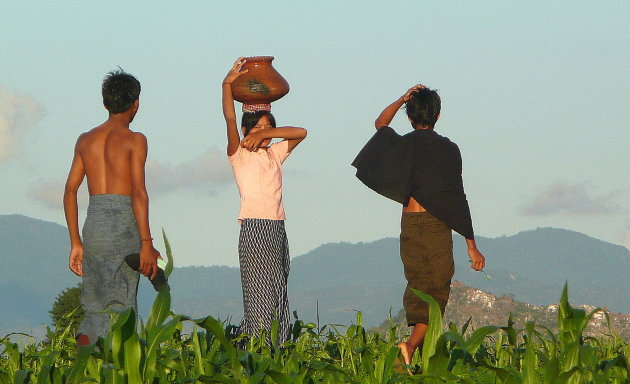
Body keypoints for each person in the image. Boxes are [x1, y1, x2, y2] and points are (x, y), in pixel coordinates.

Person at [352, 84, 486, 370]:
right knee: (436, 294)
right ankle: (410, 346)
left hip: (409, 224)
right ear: (438, 115)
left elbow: (380, 123)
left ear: (410, 117)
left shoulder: (402, 145)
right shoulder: (449, 150)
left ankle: (411, 351)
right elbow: (456, 196)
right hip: (437, 224)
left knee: (417, 286)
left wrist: (402, 98)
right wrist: (471, 245)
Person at [63, 69, 160, 345]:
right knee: (123, 300)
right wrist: (146, 243)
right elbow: (139, 193)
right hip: (123, 222)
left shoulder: (85, 139)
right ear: (136, 103)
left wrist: (75, 241)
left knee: (95, 300)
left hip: (93, 223)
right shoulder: (135, 140)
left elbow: (70, 191)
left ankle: (86, 352)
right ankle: (118, 366)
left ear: (105, 103)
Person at [222, 57, 307, 345]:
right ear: (246, 131)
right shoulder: (240, 155)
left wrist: (269, 133)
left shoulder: (274, 154)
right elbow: (231, 118)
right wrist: (227, 83)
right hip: (255, 227)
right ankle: (256, 349)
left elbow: (301, 133)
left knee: (278, 289)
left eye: (268, 128)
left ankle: (280, 348)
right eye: (256, 128)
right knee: (259, 293)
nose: (263, 133)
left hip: (277, 227)